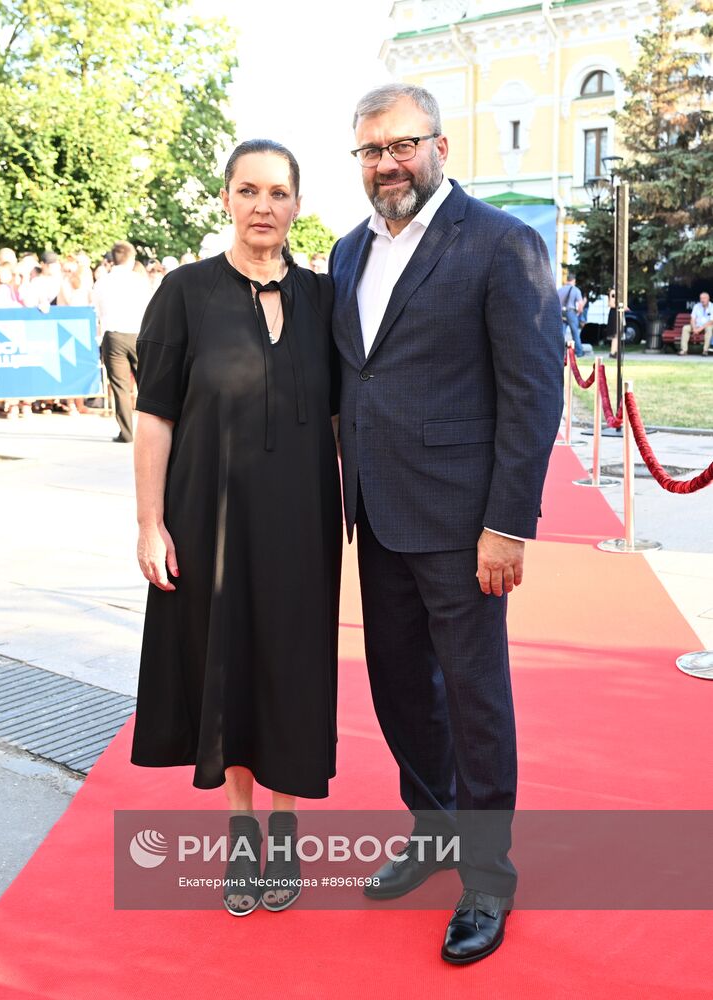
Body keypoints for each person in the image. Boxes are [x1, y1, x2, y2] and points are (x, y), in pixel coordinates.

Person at [331, 83, 563, 965]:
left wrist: (507, 522)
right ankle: (430, 832)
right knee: (399, 690)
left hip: (465, 524)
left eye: (402, 144)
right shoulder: (348, 250)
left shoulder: (501, 242)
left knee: (474, 700)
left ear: (439, 146)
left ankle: (488, 877)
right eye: (371, 149)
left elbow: (533, 391)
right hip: (376, 513)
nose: (387, 162)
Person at [129, 139, 342, 917]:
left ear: (296, 206)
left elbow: (344, 415)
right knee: (230, 664)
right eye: (248, 191)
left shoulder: (324, 297)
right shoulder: (183, 293)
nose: (263, 207)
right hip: (210, 520)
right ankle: (242, 831)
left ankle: (285, 828)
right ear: (225, 199)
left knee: (292, 668)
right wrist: (149, 524)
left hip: (303, 524)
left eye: (278, 193)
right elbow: (154, 417)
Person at [92, 241, 151, 442]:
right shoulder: (140, 281)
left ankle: (126, 432)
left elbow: (97, 311)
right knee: (147, 384)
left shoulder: (102, 282)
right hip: (139, 334)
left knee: (120, 387)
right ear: (132, 258)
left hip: (114, 335)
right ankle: (155, 429)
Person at [558, 272, 585, 357]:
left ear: (567, 280)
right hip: (571, 312)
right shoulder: (576, 290)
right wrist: (579, 312)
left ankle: (560, 352)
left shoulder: (560, 290)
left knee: (561, 333)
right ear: (574, 280)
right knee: (575, 333)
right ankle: (579, 352)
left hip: (561, 312)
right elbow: (580, 304)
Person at [679, 291, 713, 356]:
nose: (702, 300)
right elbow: (692, 319)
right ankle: (684, 350)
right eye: (701, 298)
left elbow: (711, 321)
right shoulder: (696, 306)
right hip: (696, 326)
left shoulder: (712, 307)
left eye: (704, 298)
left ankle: (705, 350)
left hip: (706, 326)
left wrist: (699, 329)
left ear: (708, 298)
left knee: (709, 328)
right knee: (685, 328)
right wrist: (694, 328)